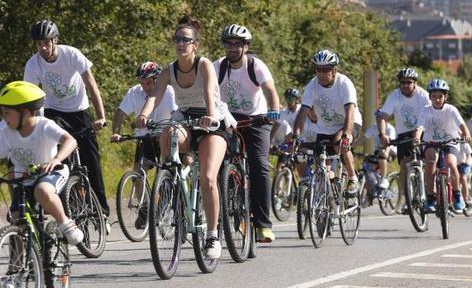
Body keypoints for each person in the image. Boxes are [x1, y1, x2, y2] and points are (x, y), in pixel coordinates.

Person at [135, 15, 236, 260]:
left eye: (186, 40)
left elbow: (210, 92)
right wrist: (144, 115)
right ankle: (170, 176)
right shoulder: (170, 69)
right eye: (177, 39)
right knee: (168, 130)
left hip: (211, 121)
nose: (180, 43)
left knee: (209, 178)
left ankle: (212, 235)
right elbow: (155, 96)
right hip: (186, 118)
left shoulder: (203, 65)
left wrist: (210, 117)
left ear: (195, 45)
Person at [0, 81, 84, 245]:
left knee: (42, 191)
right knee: (17, 219)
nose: (3, 117)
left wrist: (56, 160)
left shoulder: (44, 126)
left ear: (24, 112)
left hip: (51, 172)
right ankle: (18, 264)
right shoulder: (7, 133)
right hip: (25, 178)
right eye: (2, 112)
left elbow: (70, 140)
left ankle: (65, 223)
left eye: (7, 112)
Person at [25, 19, 110, 217]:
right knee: (51, 155)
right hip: (53, 111)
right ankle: (57, 200)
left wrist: (101, 116)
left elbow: (91, 85)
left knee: (91, 160)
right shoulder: (33, 64)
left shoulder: (71, 54)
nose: (43, 47)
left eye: (47, 42)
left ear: (55, 41)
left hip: (79, 112)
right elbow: (30, 97)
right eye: (39, 43)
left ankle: (102, 211)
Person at [213, 24, 282, 243]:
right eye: (228, 43)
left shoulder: (255, 65)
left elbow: (270, 90)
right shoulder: (218, 67)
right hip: (227, 118)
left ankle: (263, 225)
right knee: (214, 163)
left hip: (256, 119)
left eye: (237, 44)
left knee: (259, 167)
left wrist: (273, 111)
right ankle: (218, 214)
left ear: (246, 46)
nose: (232, 48)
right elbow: (204, 88)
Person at [111, 61, 176, 229]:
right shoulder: (135, 92)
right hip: (145, 137)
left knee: (166, 171)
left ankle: (165, 203)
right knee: (138, 171)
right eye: (142, 82)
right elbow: (120, 113)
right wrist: (116, 132)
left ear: (157, 79)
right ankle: (145, 208)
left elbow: (177, 112)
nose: (144, 86)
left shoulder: (169, 92)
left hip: (165, 135)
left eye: (148, 82)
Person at [292, 49, 362, 196]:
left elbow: (350, 112)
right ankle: (329, 202)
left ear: (334, 70)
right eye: (318, 70)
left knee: (339, 143)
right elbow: (303, 112)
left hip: (348, 122)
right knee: (323, 167)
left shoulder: (344, 84)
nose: (322, 74)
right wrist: (296, 134)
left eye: (326, 70)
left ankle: (352, 178)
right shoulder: (312, 86)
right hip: (325, 128)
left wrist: (346, 135)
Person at [414, 78, 471, 213]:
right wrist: (417, 137)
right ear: (430, 97)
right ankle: (430, 198)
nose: (437, 99)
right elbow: (420, 127)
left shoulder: (451, 110)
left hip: (450, 141)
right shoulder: (425, 110)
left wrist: (466, 134)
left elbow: (462, 125)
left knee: (450, 162)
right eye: (434, 97)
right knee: (430, 162)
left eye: (440, 96)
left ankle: (457, 195)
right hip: (431, 142)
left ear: (445, 97)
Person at [377, 67, 431, 210]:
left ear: (415, 83)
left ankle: (433, 192)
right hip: (404, 134)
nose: (405, 85)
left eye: (408, 82)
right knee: (404, 166)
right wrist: (383, 133)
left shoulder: (423, 96)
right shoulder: (394, 96)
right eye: (402, 82)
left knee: (430, 161)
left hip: (424, 131)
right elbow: (384, 116)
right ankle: (404, 198)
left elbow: (432, 114)